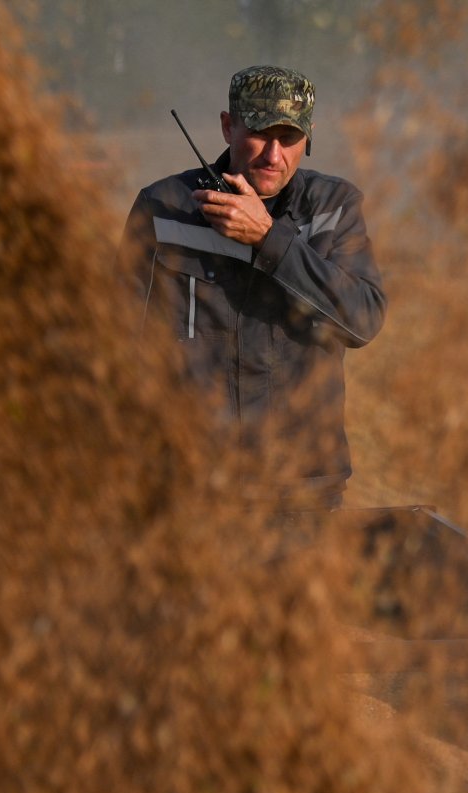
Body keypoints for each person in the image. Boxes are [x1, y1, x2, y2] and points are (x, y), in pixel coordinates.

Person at [123, 65, 387, 510]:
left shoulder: (334, 207)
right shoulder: (164, 208)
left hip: (302, 488)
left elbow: (361, 322)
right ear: (228, 126)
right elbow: (121, 338)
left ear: (309, 135)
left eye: (288, 138)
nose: (273, 155)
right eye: (260, 134)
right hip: (191, 487)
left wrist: (270, 239)